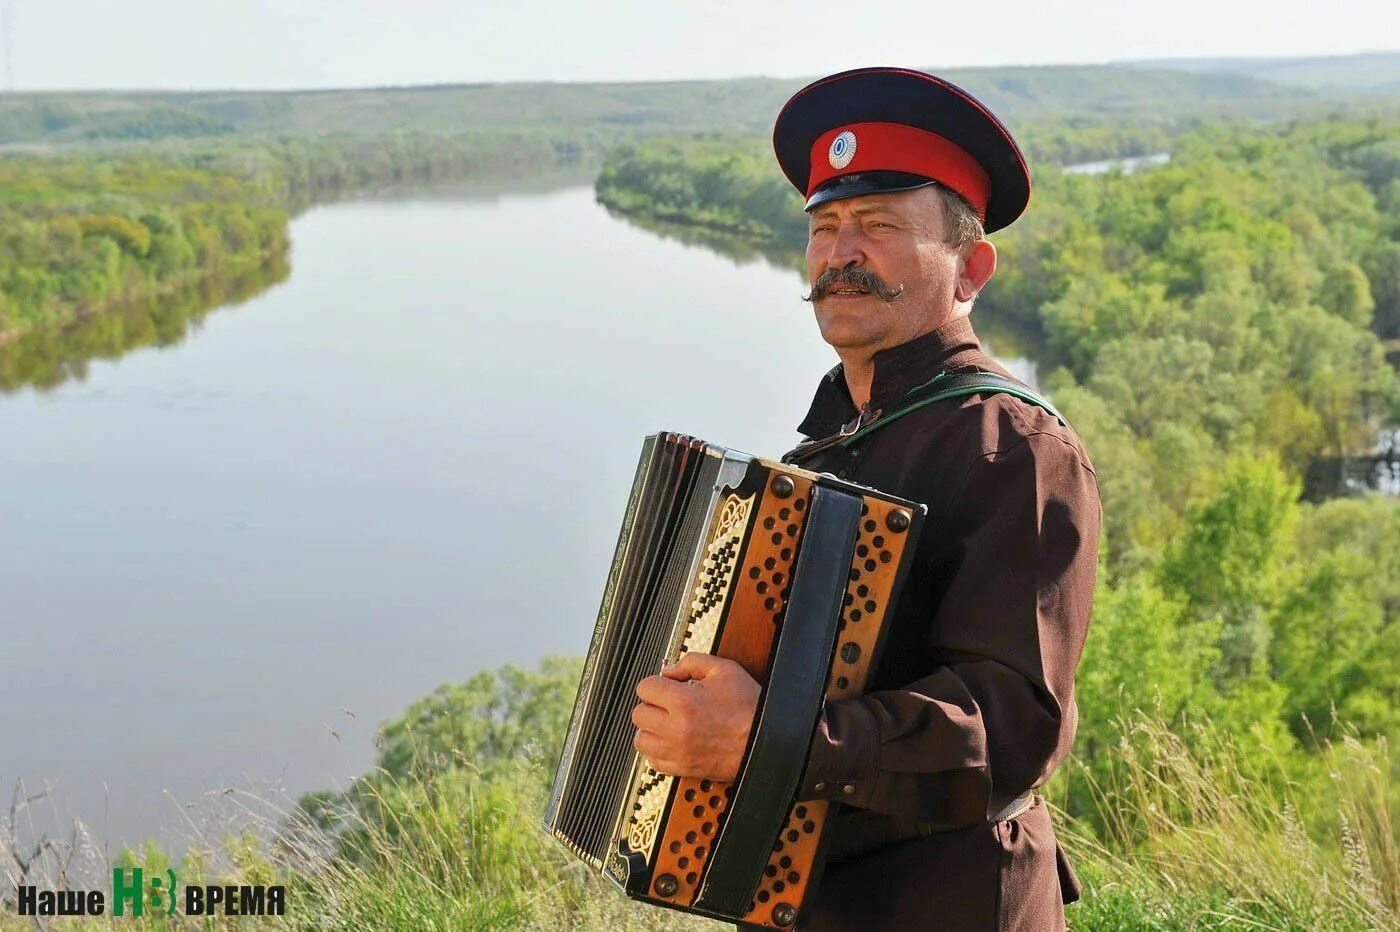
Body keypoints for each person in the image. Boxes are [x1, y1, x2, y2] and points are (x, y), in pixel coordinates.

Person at [631, 66, 1101, 930]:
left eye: (880, 225)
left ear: (971, 269)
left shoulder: (1015, 447)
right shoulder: (826, 446)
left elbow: (1009, 732)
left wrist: (770, 741)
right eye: (825, 226)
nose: (841, 253)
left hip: (948, 906)